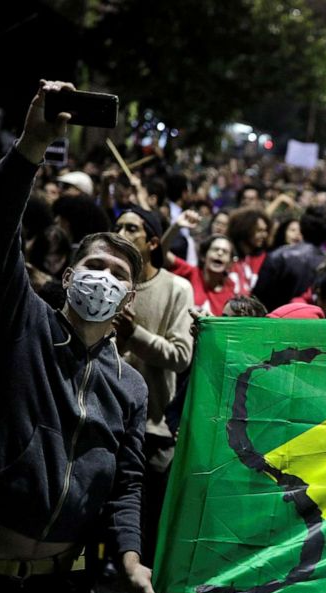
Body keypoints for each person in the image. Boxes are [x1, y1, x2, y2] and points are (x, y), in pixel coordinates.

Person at [0, 81, 159, 593]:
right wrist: (31, 146)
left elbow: (126, 485)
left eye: (118, 275)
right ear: (68, 273)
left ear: (130, 296)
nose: (103, 278)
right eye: (94, 266)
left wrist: (130, 556)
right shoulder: (21, 323)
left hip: (60, 592)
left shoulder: (130, 385)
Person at [112, 208, 195, 564]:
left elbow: (180, 355)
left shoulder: (176, 288)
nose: (121, 233)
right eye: (117, 227)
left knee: (143, 525)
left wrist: (134, 334)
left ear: (153, 242)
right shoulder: (107, 283)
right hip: (107, 416)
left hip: (152, 427)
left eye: (131, 229)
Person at [253, 205, 326, 311]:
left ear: (301, 227)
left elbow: (257, 299)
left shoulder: (278, 255)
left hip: (276, 321)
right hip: (314, 323)